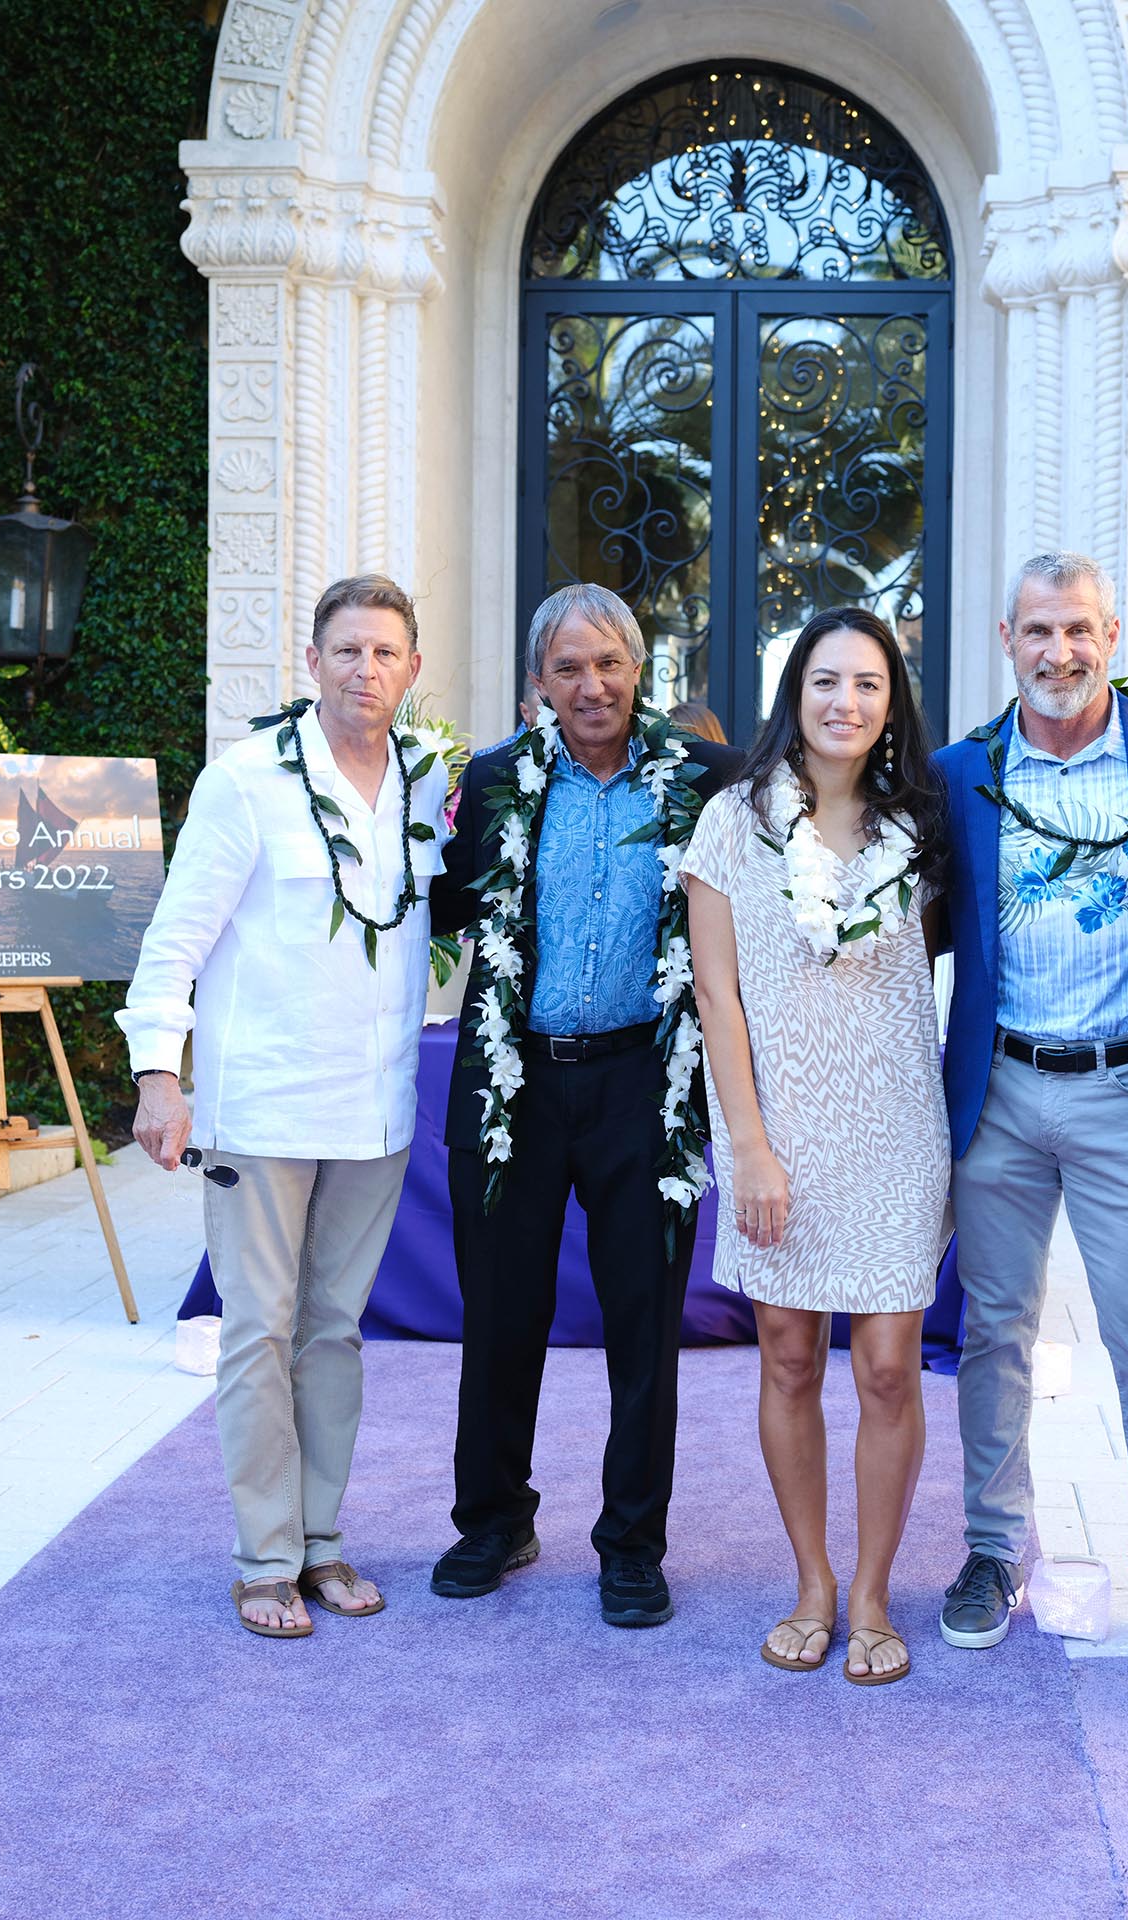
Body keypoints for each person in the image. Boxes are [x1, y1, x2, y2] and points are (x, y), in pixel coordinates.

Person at [120, 574, 450, 1638]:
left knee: (334, 1331)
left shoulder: (426, 781)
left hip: (375, 1108)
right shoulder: (248, 779)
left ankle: (322, 1543)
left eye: (385, 653)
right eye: (346, 651)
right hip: (263, 1105)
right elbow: (176, 936)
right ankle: (263, 1558)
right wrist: (158, 1076)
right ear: (312, 664)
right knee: (257, 1329)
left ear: (412, 668)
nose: (366, 670)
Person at [930, 552, 1128, 1669]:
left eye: (1080, 631)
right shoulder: (957, 774)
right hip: (998, 1090)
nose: (1060, 654)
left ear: (1115, 633)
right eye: (1039, 632)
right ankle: (994, 1550)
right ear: (1005, 637)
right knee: (993, 1333)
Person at [428, 583, 743, 1628]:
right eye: (567, 668)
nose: (590, 686)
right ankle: (490, 1520)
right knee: (502, 1313)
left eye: (607, 663)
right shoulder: (489, 782)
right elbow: (430, 907)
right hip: (513, 1079)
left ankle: (631, 1543)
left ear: (637, 668)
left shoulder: (705, 782)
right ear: (538, 683)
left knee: (644, 1321)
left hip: (644, 1083)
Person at [684, 609, 950, 1685]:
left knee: (887, 1368)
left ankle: (877, 1591)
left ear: (892, 706)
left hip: (894, 1127)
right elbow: (717, 994)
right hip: (775, 1125)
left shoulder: (924, 829)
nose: (846, 701)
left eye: (869, 685)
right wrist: (749, 1147)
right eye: (826, 680)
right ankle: (811, 1583)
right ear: (795, 691)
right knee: (789, 1356)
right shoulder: (728, 823)